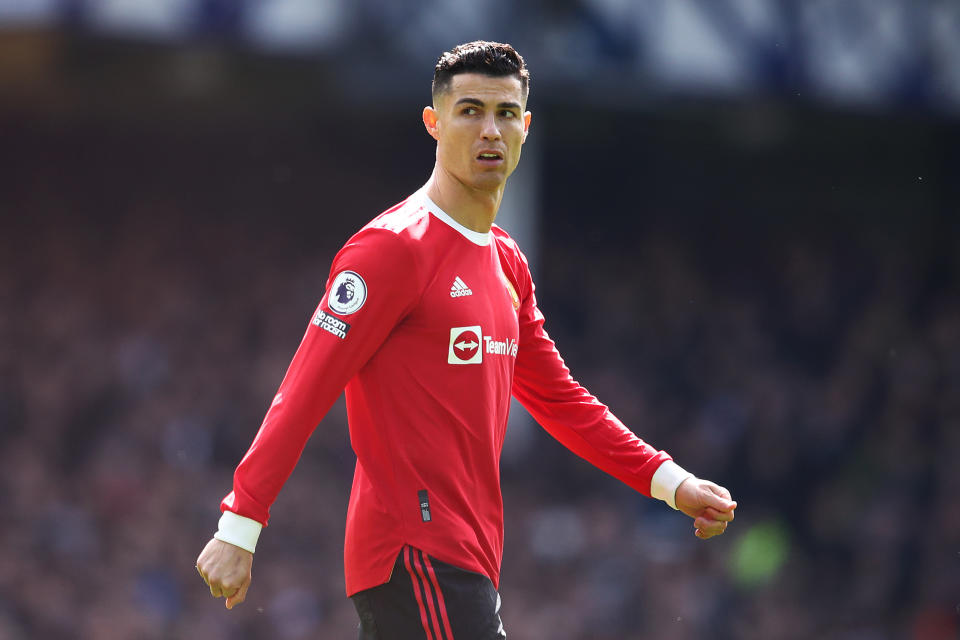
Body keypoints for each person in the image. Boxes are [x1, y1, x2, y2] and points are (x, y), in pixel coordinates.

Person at [196, 40, 737, 639]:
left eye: (505, 114)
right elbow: (304, 389)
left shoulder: (506, 263)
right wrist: (240, 525)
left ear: (526, 127)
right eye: (470, 110)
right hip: (415, 551)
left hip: (467, 555)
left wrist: (669, 482)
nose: (490, 130)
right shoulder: (392, 249)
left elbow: (560, 399)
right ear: (434, 122)